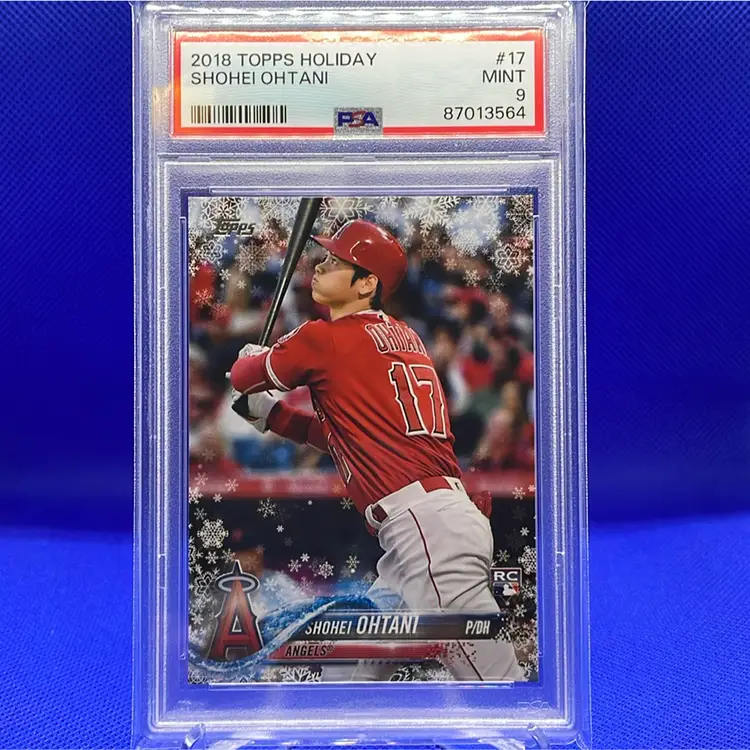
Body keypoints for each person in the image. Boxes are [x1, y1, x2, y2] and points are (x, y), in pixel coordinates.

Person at [228, 219, 522, 682]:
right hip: (428, 530)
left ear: (367, 284)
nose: (320, 265)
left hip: (427, 532)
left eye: (335, 261)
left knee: (496, 683)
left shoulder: (325, 337)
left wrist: (251, 360)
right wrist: (274, 416)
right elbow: (351, 438)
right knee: (349, 676)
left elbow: (242, 376)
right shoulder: (406, 338)